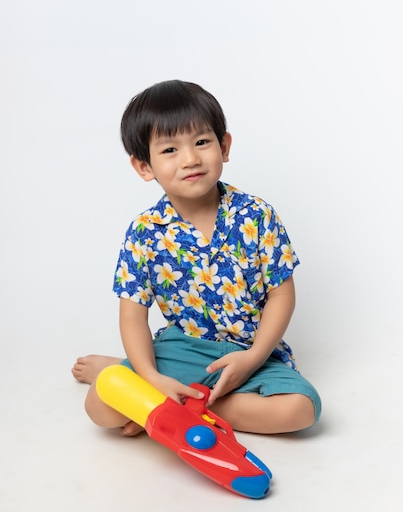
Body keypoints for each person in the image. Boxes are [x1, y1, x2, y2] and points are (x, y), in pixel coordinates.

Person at [72, 79, 321, 437]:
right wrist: (152, 377)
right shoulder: (145, 232)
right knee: (98, 407)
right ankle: (147, 385)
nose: (190, 159)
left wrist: (253, 358)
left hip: (249, 350)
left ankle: (172, 407)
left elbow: (282, 295)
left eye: (202, 143)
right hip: (180, 349)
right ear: (145, 167)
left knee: (301, 410)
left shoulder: (256, 215)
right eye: (170, 150)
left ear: (224, 146)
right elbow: (132, 317)